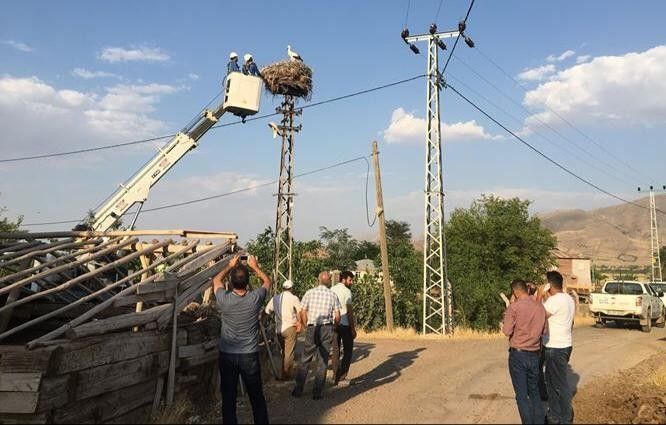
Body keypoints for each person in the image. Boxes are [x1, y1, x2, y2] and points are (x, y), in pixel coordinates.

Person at [212, 255, 270, 425]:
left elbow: (216, 280)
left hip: (227, 356)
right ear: (247, 282)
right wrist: (255, 266)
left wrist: (229, 266)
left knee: (228, 399)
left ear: (230, 281)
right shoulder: (255, 299)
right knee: (256, 398)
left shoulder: (224, 299)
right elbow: (267, 281)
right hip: (249, 355)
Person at [502, 279, 547, 425]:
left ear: (515, 291)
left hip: (518, 354)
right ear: (526, 290)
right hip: (535, 354)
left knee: (521, 395)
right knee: (534, 392)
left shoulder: (514, 308)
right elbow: (545, 330)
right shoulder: (540, 307)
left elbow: (506, 330)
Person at [292, 271, 341, 400]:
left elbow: (302, 311)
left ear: (319, 280)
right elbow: (337, 316)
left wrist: (305, 325)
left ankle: (298, 389)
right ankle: (317, 392)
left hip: (312, 328)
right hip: (327, 328)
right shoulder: (333, 295)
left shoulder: (309, 292)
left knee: (306, 358)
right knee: (323, 360)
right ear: (329, 281)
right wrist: (334, 327)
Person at [543, 270, 576, 424]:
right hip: (565, 344)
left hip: (554, 347)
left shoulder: (554, 301)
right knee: (551, 382)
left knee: (559, 383)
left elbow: (537, 315)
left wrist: (538, 295)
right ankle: (555, 414)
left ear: (549, 284)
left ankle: (564, 417)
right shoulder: (568, 299)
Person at [264, 279, 302, 380]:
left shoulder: (275, 298)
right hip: (290, 327)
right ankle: (286, 374)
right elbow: (299, 312)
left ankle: (283, 371)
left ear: (283, 288)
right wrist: (299, 323)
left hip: (279, 329)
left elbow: (267, 311)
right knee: (289, 353)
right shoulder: (294, 298)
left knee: (284, 352)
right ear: (291, 288)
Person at [331, 270, 357, 386]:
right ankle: (342, 377)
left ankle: (334, 375)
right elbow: (349, 312)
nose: (351, 283)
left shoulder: (331, 290)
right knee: (348, 350)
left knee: (335, 350)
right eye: (350, 280)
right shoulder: (347, 292)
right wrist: (353, 328)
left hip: (334, 324)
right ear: (344, 279)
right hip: (345, 324)